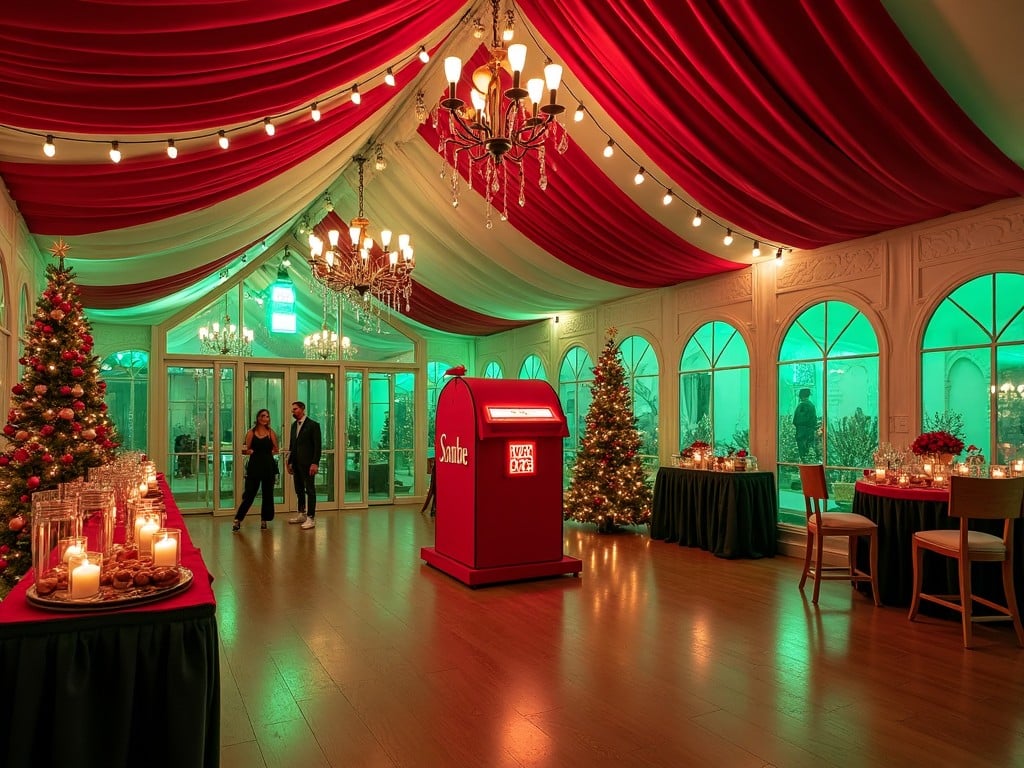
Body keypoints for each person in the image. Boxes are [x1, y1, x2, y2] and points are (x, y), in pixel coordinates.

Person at [232, 408, 280, 532]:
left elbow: (276, 449)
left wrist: (271, 452)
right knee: (249, 494)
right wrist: (248, 451)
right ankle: (238, 519)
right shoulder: (251, 432)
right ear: (258, 418)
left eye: (267, 416)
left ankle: (264, 520)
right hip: (254, 466)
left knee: (268, 494)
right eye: (263, 416)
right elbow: (244, 449)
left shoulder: (271, 432)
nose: (265, 418)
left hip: (268, 466)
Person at [287, 400, 322, 530]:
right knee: (299, 489)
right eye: (292, 409)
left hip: (308, 464)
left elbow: (317, 446)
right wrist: (290, 462)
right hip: (296, 463)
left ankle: (311, 517)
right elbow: (293, 445)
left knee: (310, 490)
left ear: (302, 409)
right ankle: (301, 513)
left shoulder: (313, 425)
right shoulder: (293, 426)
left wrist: (315, 463)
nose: (293, 411)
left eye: (295, 409)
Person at [793, 388, 817, 461]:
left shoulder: (803, 406)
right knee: (808, 453)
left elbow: (799, 420)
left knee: (803, 454)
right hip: (809, 432)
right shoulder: (811, 405)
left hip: (802, 433)